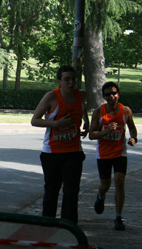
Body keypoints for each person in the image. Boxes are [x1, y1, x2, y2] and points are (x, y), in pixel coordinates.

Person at [31, 65, 89, 223]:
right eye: (67, 79)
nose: (71, 83)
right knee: (51, 191)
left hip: (73, 152)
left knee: (71, 192)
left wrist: (87, 123)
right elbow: (34, 120)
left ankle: (69, 228)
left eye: (73, 79)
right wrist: (57, 124)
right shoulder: (51, 97)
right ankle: (48, 226)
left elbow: (82, 109)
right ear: (59, 82)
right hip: (52, 153)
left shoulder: (80, 95)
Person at [89, 82, 137, 230]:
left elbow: (133, 130)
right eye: (108, 94)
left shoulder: (126, 111)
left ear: (119, 94)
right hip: (103, 153)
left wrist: (133, 139)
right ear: (104, 97)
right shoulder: (98, 112)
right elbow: (91, 135)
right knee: (105, 184)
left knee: (119, 181)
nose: (112, 96)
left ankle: (118, 217)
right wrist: (106, 131)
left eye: (114, 93)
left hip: (119, 152)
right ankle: (100, 196)